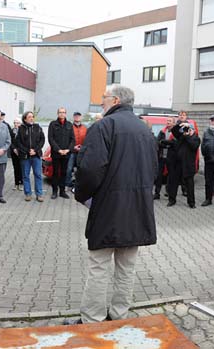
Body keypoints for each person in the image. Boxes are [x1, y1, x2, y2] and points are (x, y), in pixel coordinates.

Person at [71, 84, 157, 324]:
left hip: (109, 208)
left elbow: (89, 168)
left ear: (116, 100)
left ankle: (93, 319)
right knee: (126, 267)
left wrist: (83, 195)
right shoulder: (145, 130)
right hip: (138, 209)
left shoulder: (104, 126)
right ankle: (119, 316)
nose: (101, 102)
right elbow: (154, 170)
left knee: (99, 266)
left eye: (104, 97)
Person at [15, 111, 46, 202]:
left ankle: (39, 194)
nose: (31, 118)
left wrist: (35, 150)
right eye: (29, 117)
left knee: (38, 174)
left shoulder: (38, 127)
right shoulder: (21, 128)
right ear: (25, 119)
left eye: (32, 117)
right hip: (25, 156)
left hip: (36, 155)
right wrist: (27, 151)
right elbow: (18, 142)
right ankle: (28, 194)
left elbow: (42, 140)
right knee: (25, 175)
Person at [171, 121, 201, 208]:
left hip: (188, 164)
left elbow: (193, 146)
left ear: (193, 130)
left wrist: (187, 136)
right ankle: (172, 200)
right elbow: (174, 131)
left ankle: (191, 202)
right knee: (174, 182)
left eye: (190, 129)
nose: (188, 131)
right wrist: (180, 125)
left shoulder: (196, 138)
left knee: (189, 184)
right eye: (188, 129)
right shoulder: (181, 136)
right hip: (178, 163)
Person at [48, 107, 75, 199]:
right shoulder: (53, 124)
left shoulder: (69, 125)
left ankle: (62, 191)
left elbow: (73, 139)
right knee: (55, 173)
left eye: (63, 112)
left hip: (66, 154)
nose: (62, 114)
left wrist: (68, 150)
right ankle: (54, 191)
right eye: (60, 112)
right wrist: (58, 150)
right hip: (56, 153)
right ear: (57, 113)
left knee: (64, 172)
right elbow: (51, 138)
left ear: (66, 113)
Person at [66, 112, 88, 192]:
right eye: (75, 116)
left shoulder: (85, 128)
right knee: (69, 168)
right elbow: (67, 140)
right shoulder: (69, 127)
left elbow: (87, 140)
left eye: (78, 116)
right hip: (72, 152)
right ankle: (67, 185)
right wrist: (72, 147)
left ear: (81, 117)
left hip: (81, 152)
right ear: (73, 117)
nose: (77, 117)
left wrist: (82, 147)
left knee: (80, 169)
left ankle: (77, 186)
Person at [154, 117, 174, 200]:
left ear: (173, 123)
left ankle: (169, 192)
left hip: (171, 157)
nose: (168, 122)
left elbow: (174, 144)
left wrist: (164, 143)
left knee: (171, 176)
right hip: (162, 156)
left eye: (170, 121)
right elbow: (158, 142)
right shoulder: (162, 131)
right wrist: (166, 144)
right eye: (167, 121)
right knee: (159, 176)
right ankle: (157, 193)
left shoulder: (175, 132)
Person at [9, 118, 23, 191]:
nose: (16, 124)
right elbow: (9, 141)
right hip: (14, 152)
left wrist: (19, 150)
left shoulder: (23, 131)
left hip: (21, 152)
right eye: (15, 123)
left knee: (21, 168)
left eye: (17, 123)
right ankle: (16, 183)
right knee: (15, 168)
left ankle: (21, 183)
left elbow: (24, 142)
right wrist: (14, 149)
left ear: (20, 124)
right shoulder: (11, 131)